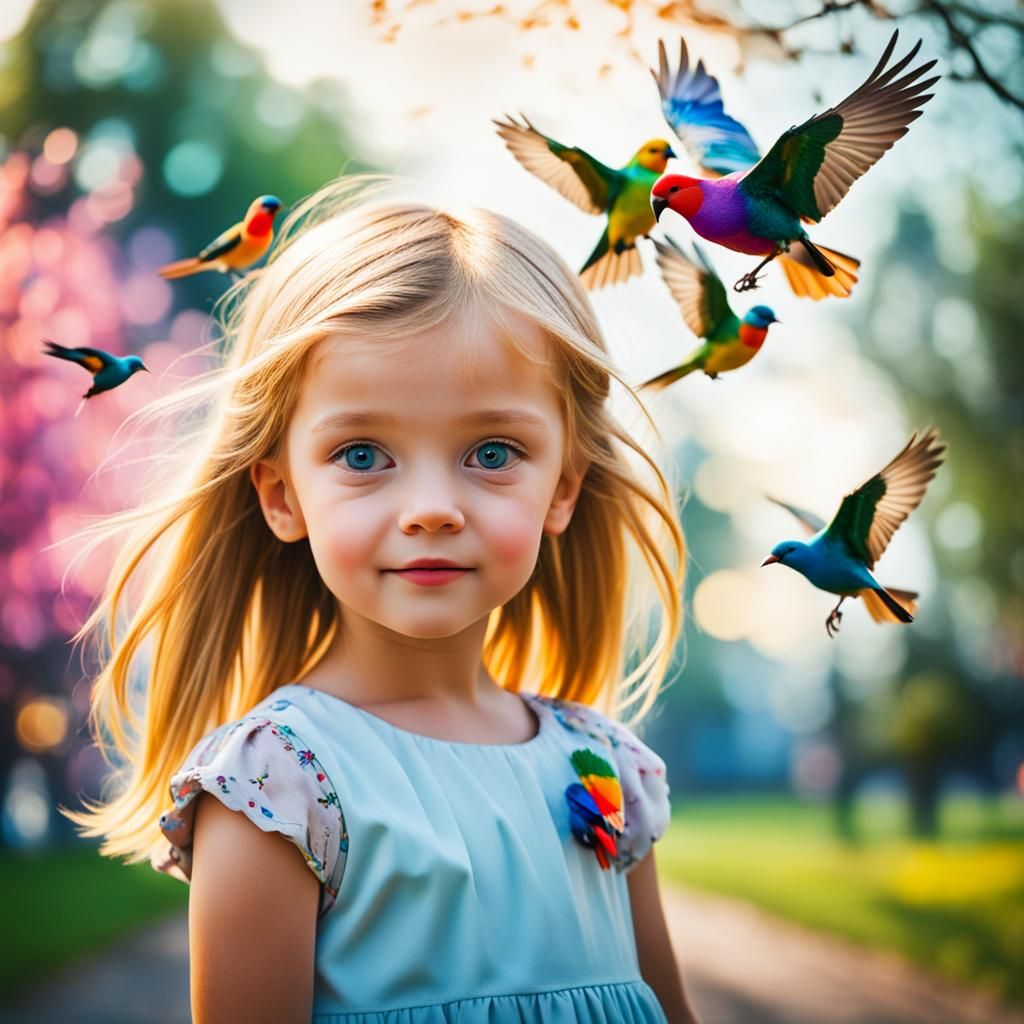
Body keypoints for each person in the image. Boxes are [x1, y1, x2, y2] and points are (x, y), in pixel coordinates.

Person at [62, 176, 698, 1023]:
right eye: (363, 455)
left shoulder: (607, 767)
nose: (432, 506)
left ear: (563, 489)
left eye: (493, 450)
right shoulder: (278, 790)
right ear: (282, 495)